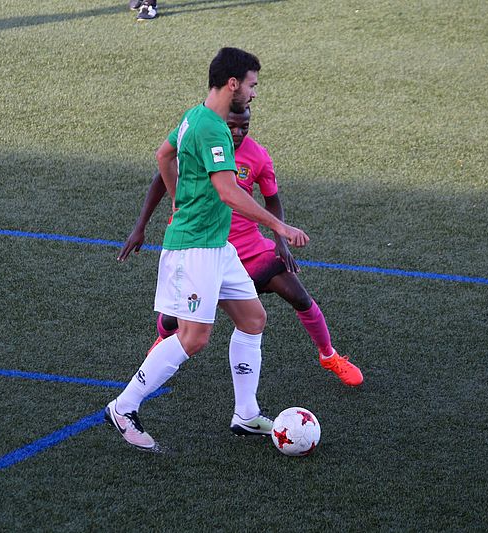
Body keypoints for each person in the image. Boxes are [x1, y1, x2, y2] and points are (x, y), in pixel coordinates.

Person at [105, 47, 309, 450]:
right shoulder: (213, 129)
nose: (254, 93)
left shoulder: (194, 116)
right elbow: (228, 191)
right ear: (232, 84)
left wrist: (177, 197)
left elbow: (164, 154)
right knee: (193, 338)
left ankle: (246, 415)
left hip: (217, 246)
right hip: (194, 249)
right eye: (251, 85)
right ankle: (123, 407)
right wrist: (279, 226)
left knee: (253, 319)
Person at [118, 106, 364, 387]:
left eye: (244, 127)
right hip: (202, 247)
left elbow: (273, 202)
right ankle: (162, 342)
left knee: (299, 297)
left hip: (249, 248)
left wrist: (280, 241)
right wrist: (140, 226)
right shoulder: (203, 139)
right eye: (232, 125)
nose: (237, 132)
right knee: (174, 318)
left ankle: (328, 355)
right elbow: (161, 176)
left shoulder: (258, 155)